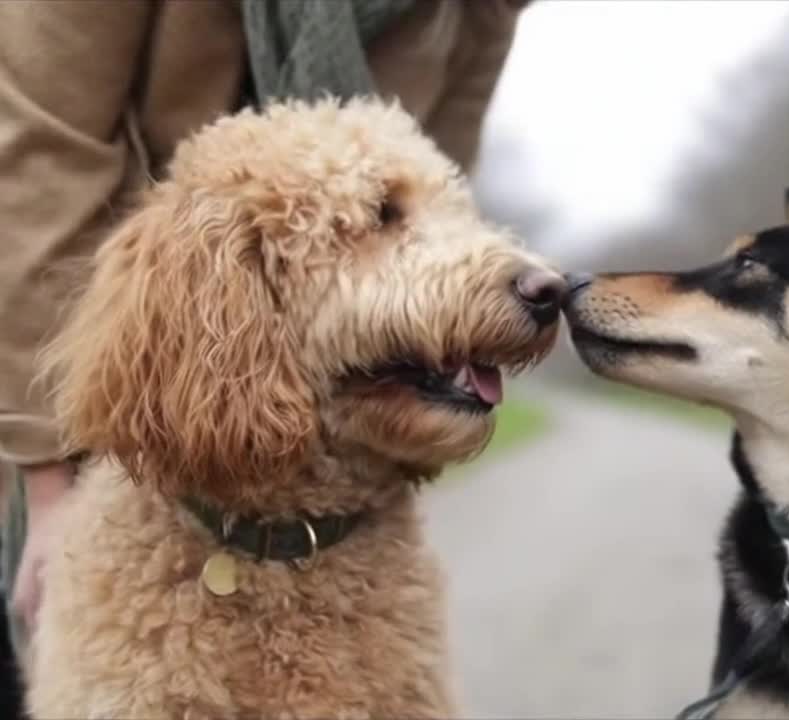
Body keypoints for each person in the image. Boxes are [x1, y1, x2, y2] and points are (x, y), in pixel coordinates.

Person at [0, 0, 528, 705]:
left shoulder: (478, 10)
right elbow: (41, 156)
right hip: (135, 314)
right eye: (387, 220)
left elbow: (443, 165)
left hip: (355, 496)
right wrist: (47, 484)